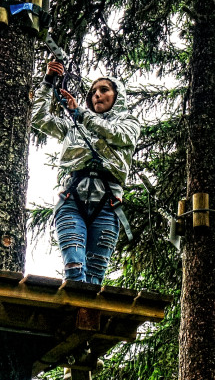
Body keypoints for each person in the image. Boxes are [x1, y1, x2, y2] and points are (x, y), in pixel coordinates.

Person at [32, 61, 140, 285]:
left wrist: (79, 113)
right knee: (74, 268)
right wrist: (47, 81)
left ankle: (82, 316)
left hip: (107, 206)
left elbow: (115, 135)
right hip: (72, 200)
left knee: (94, 277)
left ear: (117, 95)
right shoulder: (74, 125)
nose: (97, 95)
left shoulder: (129, 123)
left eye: (104, 90)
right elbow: (38, 118)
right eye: (93, 92)